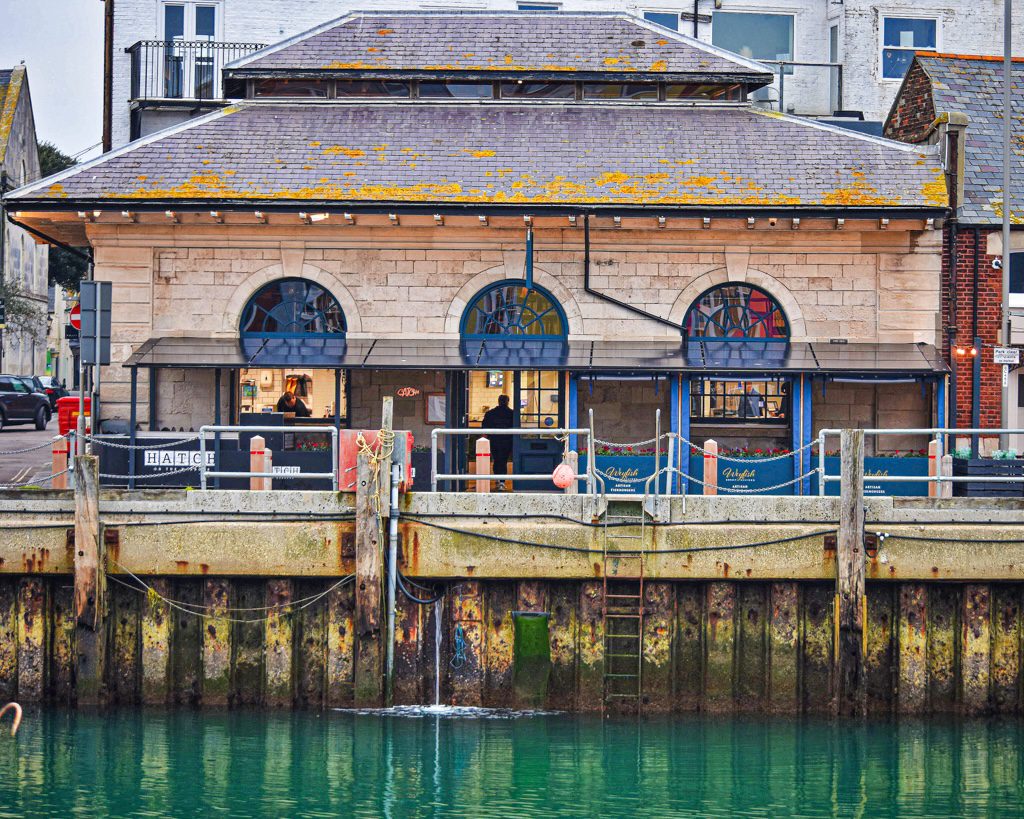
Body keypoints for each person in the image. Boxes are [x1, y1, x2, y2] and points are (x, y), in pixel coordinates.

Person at [481, 394, 514, 490]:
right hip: (507, 441)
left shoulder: (490, 413)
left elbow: (484, 428)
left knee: (496, 460)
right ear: (508, 401)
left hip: (494, 440)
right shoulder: (512, 414)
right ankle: (502, 482)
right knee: (503, 461)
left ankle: (498, 479)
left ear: (498, 401)